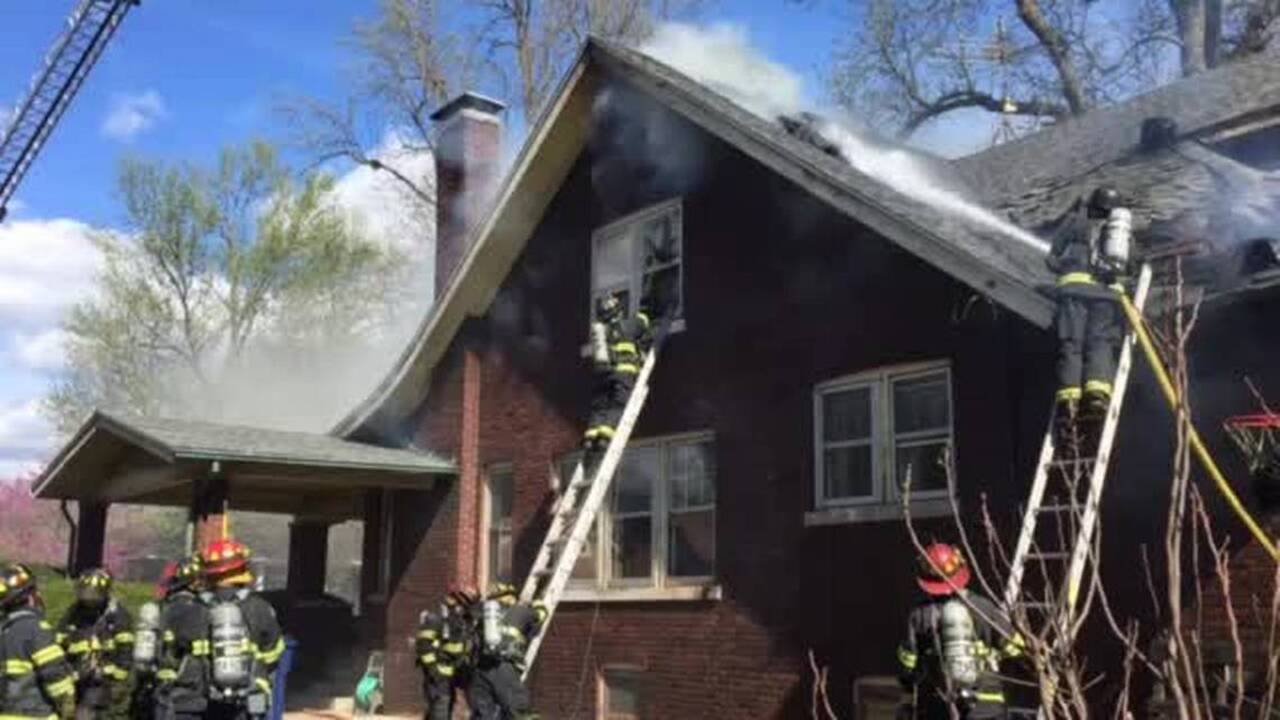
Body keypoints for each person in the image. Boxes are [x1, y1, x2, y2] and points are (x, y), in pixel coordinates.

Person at [897, 544, 1023, 720]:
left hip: (939, 707)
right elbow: (1016, 650)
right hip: (987, 707)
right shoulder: (983, 607)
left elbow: (908, 665)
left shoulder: (919, 615)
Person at [1046, 186, 1130, 439]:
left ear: (1092, 205)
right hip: (1106, 298)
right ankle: (1097, 396)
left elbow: (1051, 258)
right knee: (1100, 343)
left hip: (1074, 295)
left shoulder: (1074, 223)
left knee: (1072, 345)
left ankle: (1069, 401)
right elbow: (1130, 264)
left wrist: (1062, 265)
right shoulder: (1120, 232)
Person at [199, 539, 284, 720]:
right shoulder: (260, 607)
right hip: (251, 695)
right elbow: (276, 650)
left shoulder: (200, 607)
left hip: (207, 696)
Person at [0, 563, 76, 720]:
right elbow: (54, 673)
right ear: (31, 597)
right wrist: (67, 705)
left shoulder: (4, 630)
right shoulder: (35, 628)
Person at [56, 568, 133, 720]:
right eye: (85, 595)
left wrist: (118, 682)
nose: (88, 601)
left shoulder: (117, 616)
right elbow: (59, 641)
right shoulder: (73, 612)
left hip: (102, 681)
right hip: (76, 677)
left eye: (94, 596)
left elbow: (125, 651)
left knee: (86, 713)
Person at [469, 583, 546, 720]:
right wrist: (539, 603)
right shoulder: (520, 611)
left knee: (482, 714)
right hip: (503, 667)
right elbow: (540, 616)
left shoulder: (482, 615)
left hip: (479, 669)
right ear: (510, 597)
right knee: (519, 711)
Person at [153, 555, 210, 720]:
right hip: (188, 694)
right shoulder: (195, 610)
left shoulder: (164, 607)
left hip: (163, 692)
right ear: (194, 581)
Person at [416, 586, 477, 718]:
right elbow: (423, 646)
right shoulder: (436, 619)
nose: (462, 609)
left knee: (443, 708)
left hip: (450, 675)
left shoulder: (459, 621)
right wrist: (434, 670)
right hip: (437, 676)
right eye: (461, 605)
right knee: (441, 708)